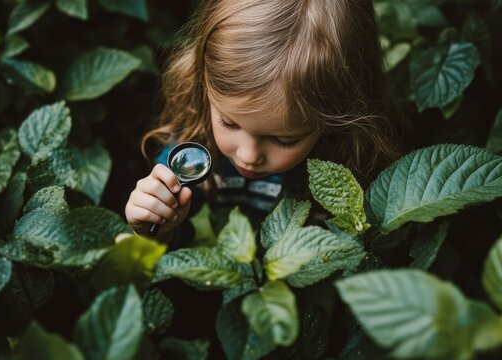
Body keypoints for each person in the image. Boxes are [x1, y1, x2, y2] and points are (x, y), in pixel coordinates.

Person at [125, 0, 404, 247]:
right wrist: (157, 228)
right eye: (229, 123)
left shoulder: (351, 163)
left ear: (341, 114)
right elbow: (171, 240)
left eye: (284, 140)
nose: (248, 156)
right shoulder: (193, 145)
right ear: (204, 84)